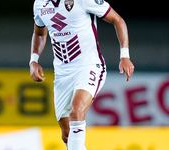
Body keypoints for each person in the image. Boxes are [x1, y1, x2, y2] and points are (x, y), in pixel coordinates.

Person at [29, 0, 134, 149]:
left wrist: (125, 56)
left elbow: (118, 20)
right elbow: (39, 33)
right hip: (62, 73)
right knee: (67, 133)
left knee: (76, 108)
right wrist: (33, 60)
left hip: (89, 66)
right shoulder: (39, 4)